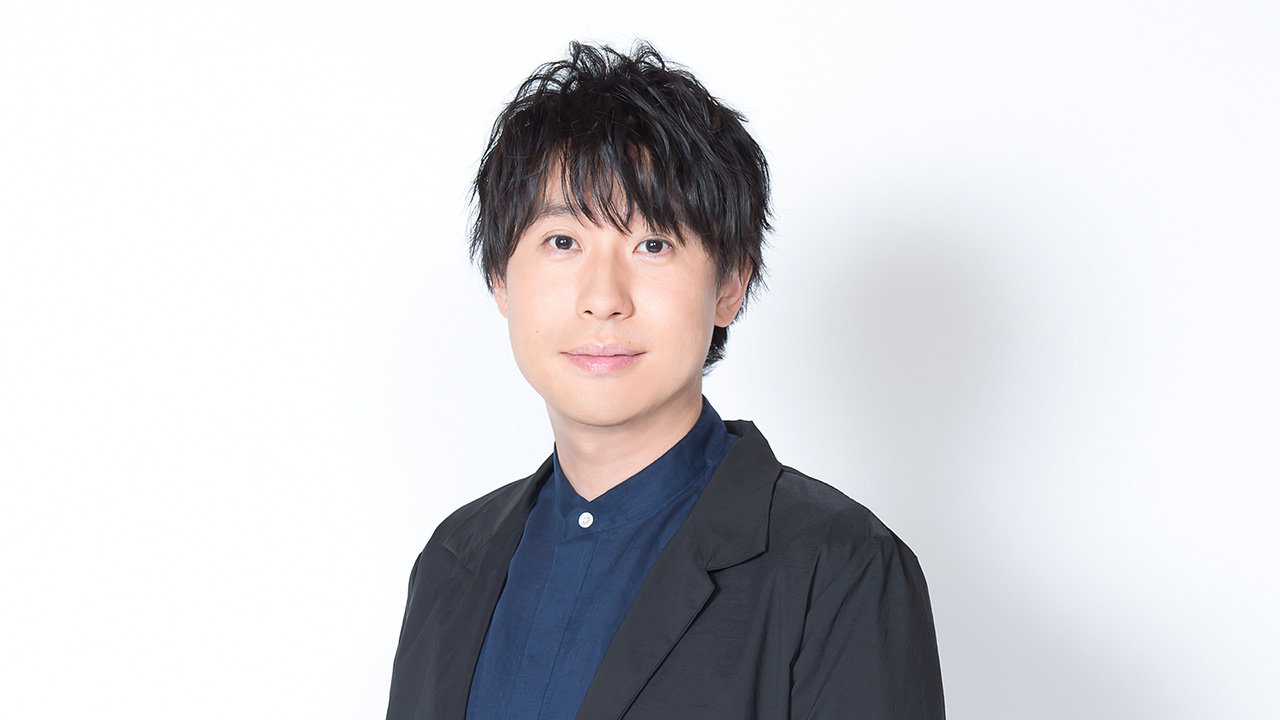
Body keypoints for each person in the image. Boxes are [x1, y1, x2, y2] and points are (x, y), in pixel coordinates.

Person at [385, 41, 945, 720]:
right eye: (563, 242)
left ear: (729, 285)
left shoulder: (842, 568)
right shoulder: (452, 562)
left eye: (653, 244)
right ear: (501, 278)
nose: (603, 299)